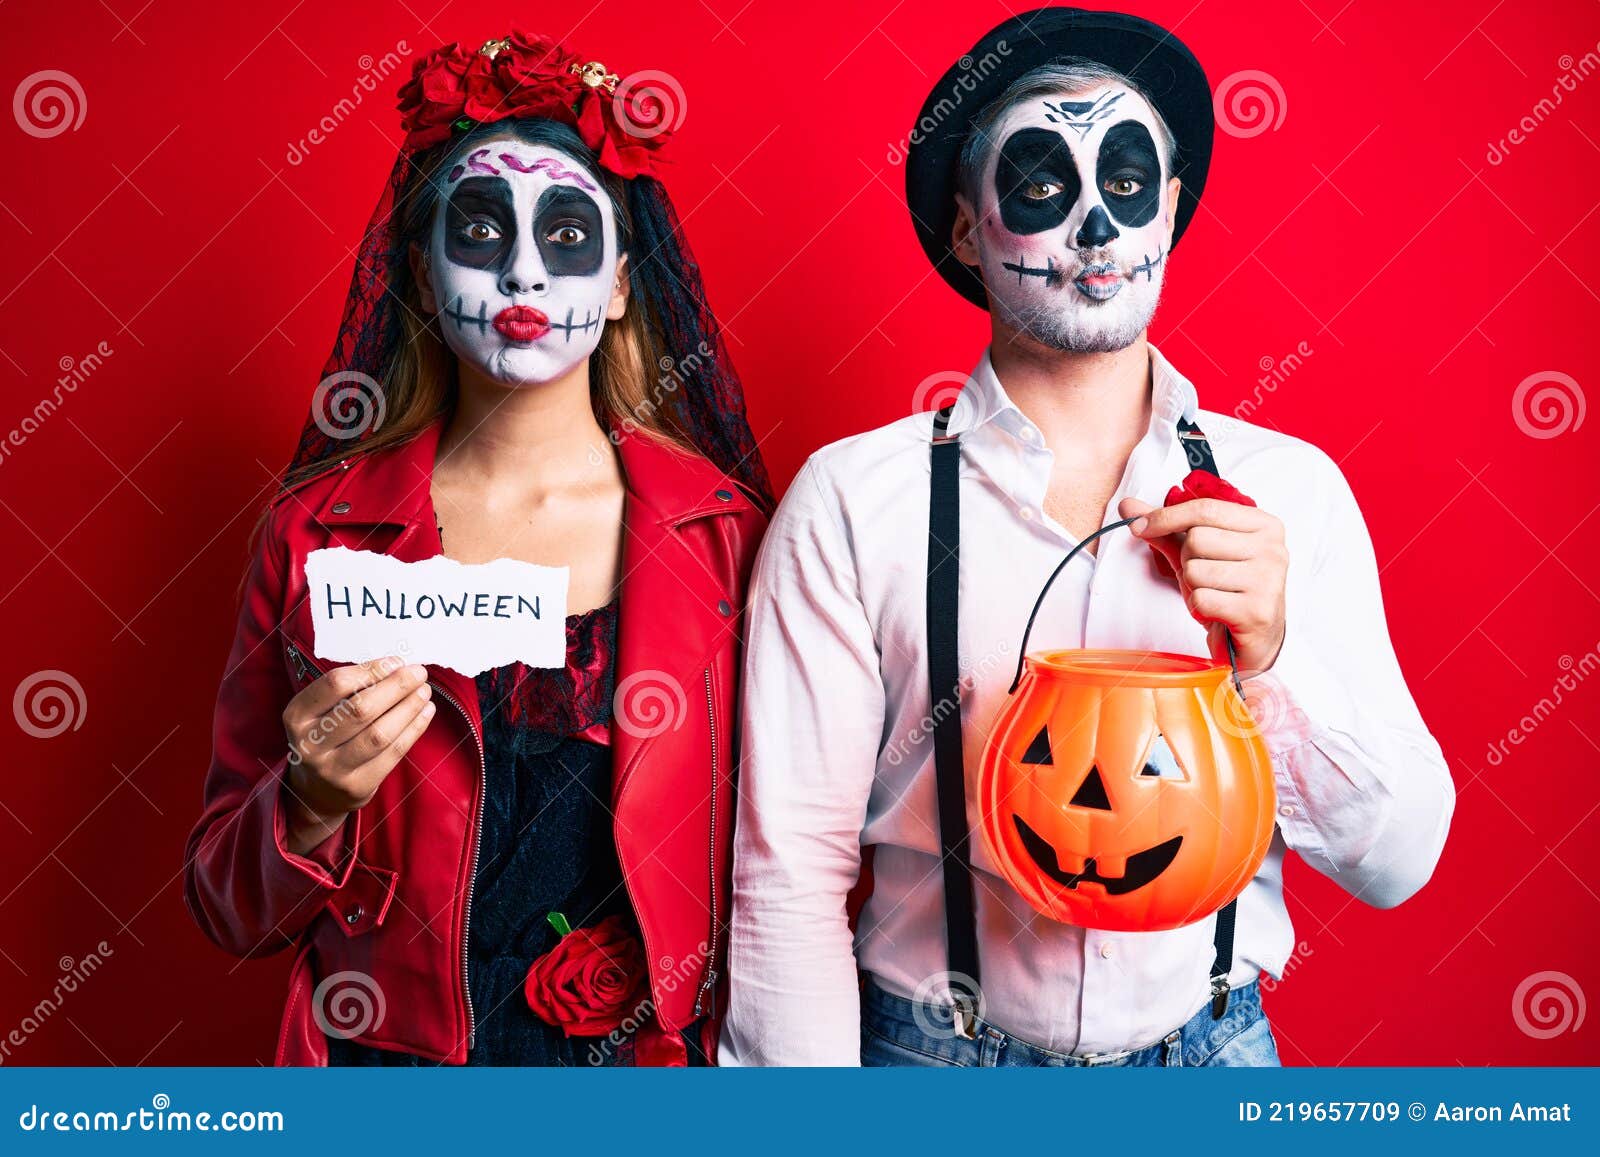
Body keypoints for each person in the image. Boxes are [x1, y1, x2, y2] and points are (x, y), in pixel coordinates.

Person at [721, 7, 1453, 1067]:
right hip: (931, 1064)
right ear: (969, 229)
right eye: (1039, 186)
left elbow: (1400, 860)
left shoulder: (1288, 490)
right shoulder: (851, 502)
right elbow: (787, 878)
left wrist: (1273, 654)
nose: (1097, 231)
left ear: (1167, 210)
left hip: (1212, 1061)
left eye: (1125, 181)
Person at [183, 29, 770, 1066]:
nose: (525, 270)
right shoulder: (315, 533)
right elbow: (230, 907)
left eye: (569, 236)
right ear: (419, 268)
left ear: (626, 282)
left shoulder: (728, 539)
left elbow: (793, 867)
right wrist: (309, 799)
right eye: (483, 227)